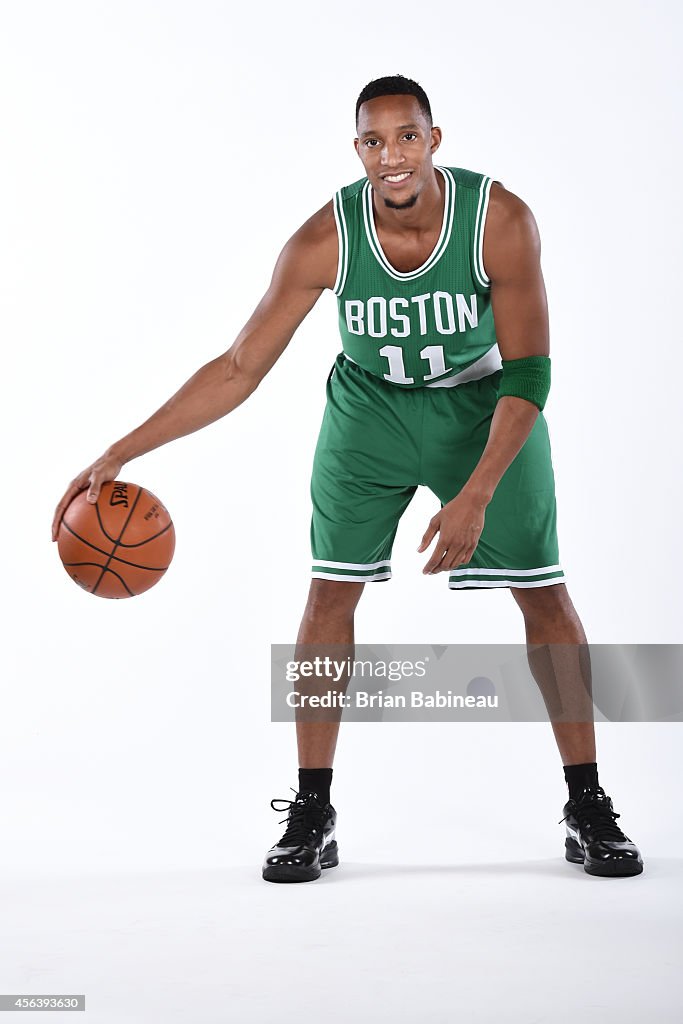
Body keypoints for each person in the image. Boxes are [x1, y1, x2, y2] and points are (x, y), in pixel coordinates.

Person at [52, 75, 643, 884]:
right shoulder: (322, 240)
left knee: (542, 593)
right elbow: (236, 368)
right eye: (373, 140)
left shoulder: (498, 220)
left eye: (406, 136)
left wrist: (473, 495)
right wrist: (121, 450)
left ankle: (587, 803)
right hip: (367, 413)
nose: (391, 155)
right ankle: (311, 810)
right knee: (330, 591)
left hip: (483, 406)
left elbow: (531, 376)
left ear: (434, 140)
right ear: (356, 149)